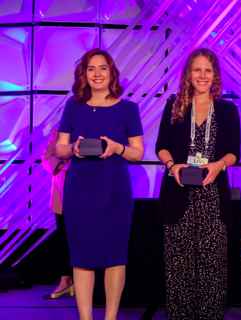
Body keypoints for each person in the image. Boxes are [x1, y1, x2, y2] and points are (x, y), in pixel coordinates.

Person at [55, 48, 144, 320]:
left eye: (102, 68)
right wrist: (73, 148)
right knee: (81, 257)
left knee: (115, 256)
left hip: (115, 190)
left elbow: (138, 153)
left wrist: (118, 147)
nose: (97, 74)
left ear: (111, 72)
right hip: (79, 190)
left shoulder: (129, 108)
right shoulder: (73, 105)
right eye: (91, 68)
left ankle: (110, 318)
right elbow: (59, 149)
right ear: (84, 73)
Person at [155, 48, 241, 320]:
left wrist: (219, 165)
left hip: (213, 199)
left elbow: (235, 151)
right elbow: (161, 146)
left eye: (208, 70)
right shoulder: (174, 106)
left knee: (212, 271)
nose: (202, 75)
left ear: (215, 74)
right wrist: (173, 166)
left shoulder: (227, 109)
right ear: (188, 74)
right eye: (197, 70)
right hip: (177, 195)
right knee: (178, 270)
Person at [41, 127, 74, 299]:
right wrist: (63, 165)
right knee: (64, 237)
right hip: (63, 186)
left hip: (86, 187)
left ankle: (83, 281)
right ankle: (66, 280)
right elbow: (46, 157)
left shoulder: (92, 124)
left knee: (84, 237)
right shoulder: (59, 130)